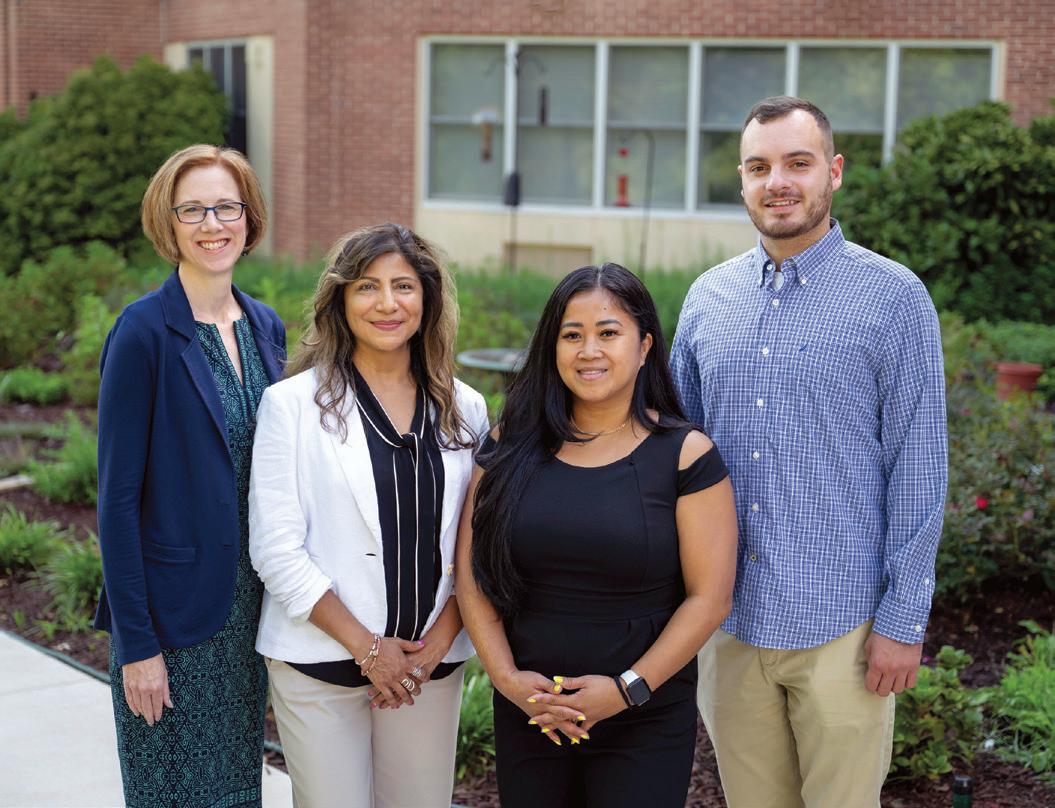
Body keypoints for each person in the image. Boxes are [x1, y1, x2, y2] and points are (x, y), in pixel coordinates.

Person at [670, 96, 949, 808]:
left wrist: (902, 622)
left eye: (797, 163)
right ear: (741, 180)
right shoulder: (707, 299)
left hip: (845, 630)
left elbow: (918, 470)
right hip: (730, 627)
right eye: (758, 167)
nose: (778, 183)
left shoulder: (893, 299)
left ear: (834, 171)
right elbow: (674, 459)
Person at [456, 263, 738, 808]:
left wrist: (626, 689)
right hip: (532, 712)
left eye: (609, 333)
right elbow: (472, 574)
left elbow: (710, 599)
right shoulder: (509, 444)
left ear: (645, 346)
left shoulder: (685, 455)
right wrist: (508, 680)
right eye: (572, 335)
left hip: (644, 716)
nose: (589, 351)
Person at [248, 222, 488, 807]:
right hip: (321, 664)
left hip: (428, 668)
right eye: (366, 287)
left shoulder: (466, 408)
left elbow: (479, 545)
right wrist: (369, 649)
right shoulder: (292, 405)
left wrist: (436, 645)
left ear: (427, 299)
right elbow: (275, 549)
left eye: (403, 286)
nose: (387, 304)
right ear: (340, 300)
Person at [94, 144, 286, 807]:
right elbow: (117, 501)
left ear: (248, 217)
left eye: (227, 207)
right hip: (171, 627)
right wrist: (137, 646)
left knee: (236, 793)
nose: (212, 224)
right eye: (193, 210)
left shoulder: (265, 327)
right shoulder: (142, 332)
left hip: (249, 619)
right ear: (168, 223)